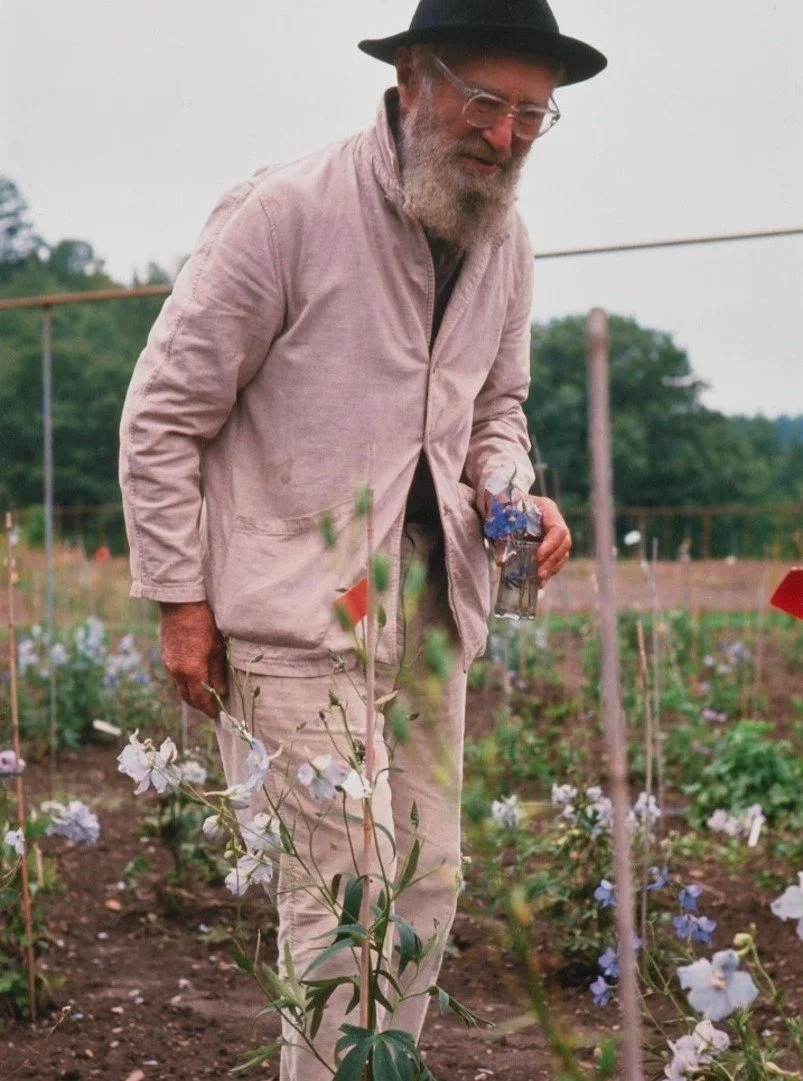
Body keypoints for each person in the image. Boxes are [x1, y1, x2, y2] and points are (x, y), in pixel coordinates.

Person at [119, 1, 606, 1075]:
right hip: (296, 613)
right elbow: (162, 414)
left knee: (427, 879)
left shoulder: (501, 237)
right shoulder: (283, 213)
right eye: (485, 101)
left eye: (534, 113)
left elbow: (496, 411)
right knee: (342, 898)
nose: (505, 135)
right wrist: (180, 602)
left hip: (433, 610)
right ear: (409, 82)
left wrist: (517, 493)